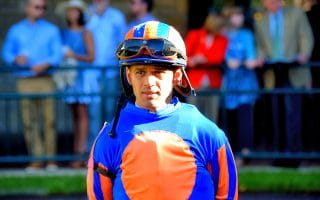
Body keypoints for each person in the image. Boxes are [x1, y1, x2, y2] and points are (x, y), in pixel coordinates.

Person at [86, 21, 238, 199]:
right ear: (129, 76)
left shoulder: (207, 132)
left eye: (158, 72)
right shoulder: (109, 138)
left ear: (177, 75)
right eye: (140, 72)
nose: (149, 82)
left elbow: (227, 194)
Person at [2, 0, 62, 170]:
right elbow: (7, 51)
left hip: (45, 79)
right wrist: (15, 58)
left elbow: (57, 54)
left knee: (50, 120)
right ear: (27, 8)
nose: (41, 10)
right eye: (37, 7)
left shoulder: (51, 29)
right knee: (29, 121)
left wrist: (46, 63)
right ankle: (36, 160)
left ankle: (51, 160)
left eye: (44, 7)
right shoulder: (16, 30)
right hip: (25, 80)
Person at [254, 0, 314, 154]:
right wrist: (260, 57)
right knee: (275, 114)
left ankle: (294, 154)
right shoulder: (259, 18)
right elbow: (260, 44)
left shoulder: (296, 13)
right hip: (272, 71)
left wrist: (304, 54)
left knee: (293, 114)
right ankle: (278, 153)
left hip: (294, 69)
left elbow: (306, 36)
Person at [57, 0, 95, 168]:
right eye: (69, 11)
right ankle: (76, 152)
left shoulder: (86, 33)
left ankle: (81, 153)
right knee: (74, 115)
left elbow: (91, 57)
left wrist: (74, 56)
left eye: (75, 11)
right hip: (69, 77)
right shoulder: (63, 33)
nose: (72, 14)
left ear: (80, 13)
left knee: (82, 114)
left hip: (82, 77)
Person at [85, 0, 127, 152]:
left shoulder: (117, 16)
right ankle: (93, 150)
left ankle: (109, 150)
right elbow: (83, 35)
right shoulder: (87, 13)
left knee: (110, 110)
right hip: (91, 73)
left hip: (110, 70)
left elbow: (123, 42)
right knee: (93, 113)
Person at [221, 6, 258, 161]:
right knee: (228, 118)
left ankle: (245, 153)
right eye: (234, 15)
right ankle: (229, 153)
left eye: (240, 15)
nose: (238, 19)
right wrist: (227, 60)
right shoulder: (222, 34)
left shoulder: (247, 35)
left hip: (245, 83)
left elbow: (251, 56)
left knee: (245, 116)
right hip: (227, 84)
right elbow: (219, 53)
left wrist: (247, 61)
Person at [185, 12, 228, 123]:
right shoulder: (194, 35)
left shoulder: (223, 39)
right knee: (193, 117)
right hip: (195, 83)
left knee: (211, 118)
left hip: (213, 83)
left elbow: (218, 58)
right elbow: (184, 56)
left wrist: (201, 59)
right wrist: (192, 59)